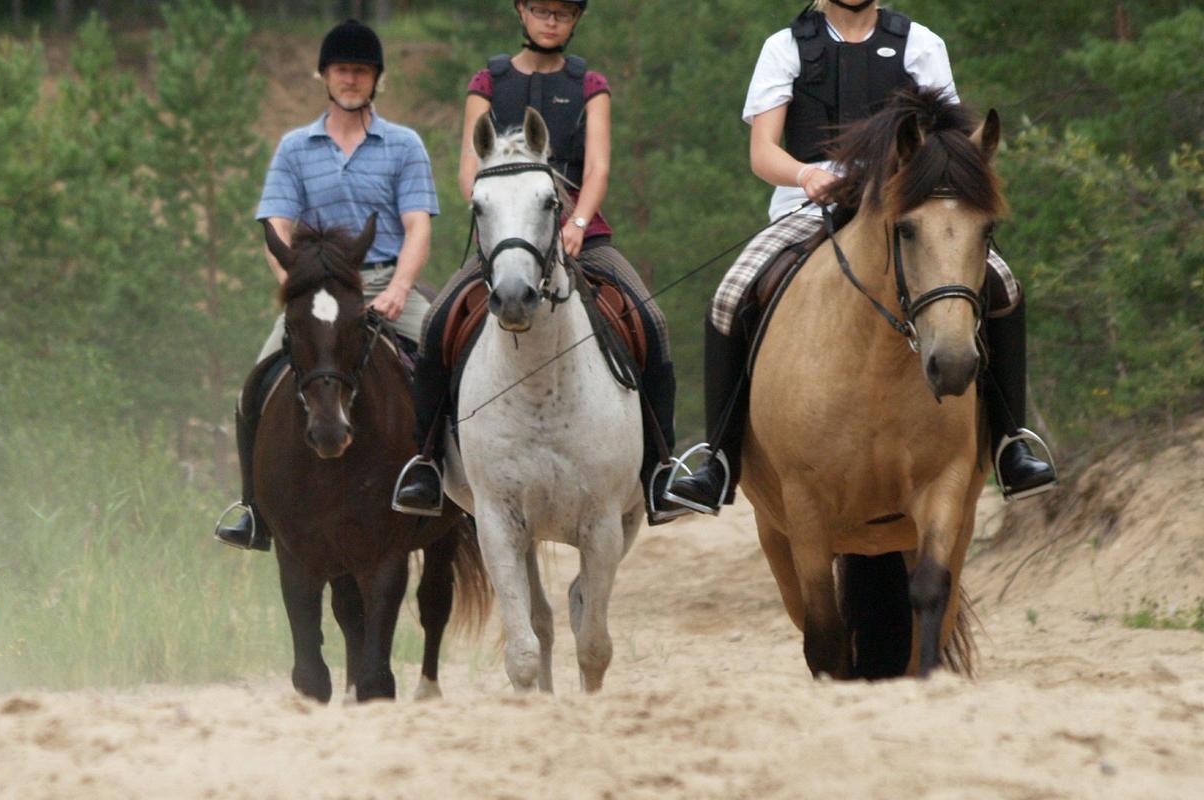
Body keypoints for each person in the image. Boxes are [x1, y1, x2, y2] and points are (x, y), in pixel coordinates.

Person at [665, 0, 1058, 514]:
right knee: (728, 296)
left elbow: (949, 145)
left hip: (905, 203)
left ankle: (1011, 442)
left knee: (1003, 283)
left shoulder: (921, 43)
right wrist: (807, 175)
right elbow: (763, 152)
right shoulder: (785, 48)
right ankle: (717, 458)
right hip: (810, 203)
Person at [395, 0, 689, 526]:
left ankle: (661, 469)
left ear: (575, 20)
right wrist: (498, 227)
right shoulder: (488, 82)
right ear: (521, 12)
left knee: (651, 320)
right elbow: (470, 166)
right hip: (509, 242)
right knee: (437, 321)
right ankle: (427, 462)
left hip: (581, 236)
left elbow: (597, 165)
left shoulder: (590, 84)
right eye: (541, 9)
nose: (551, 20)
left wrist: (576, 224)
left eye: (563, 12)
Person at [212, 19, 440, 551]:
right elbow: (276, 228)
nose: (352, 79)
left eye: (362, 71)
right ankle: (253, 509)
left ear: (376, 78)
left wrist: (401, 289)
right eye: (343, 70)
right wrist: (298, 287)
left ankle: (448, 481)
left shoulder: (404, 145)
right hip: (316, 290)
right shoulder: (294, 148)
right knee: (255, 385)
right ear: (324, 75)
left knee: (448, 361)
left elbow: (418, 226)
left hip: (383, 279)